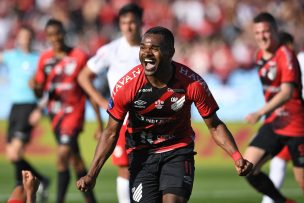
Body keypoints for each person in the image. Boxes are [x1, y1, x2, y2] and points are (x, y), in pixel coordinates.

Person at [76, 26, 253, 203]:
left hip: (177, 151)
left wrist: (237, 157)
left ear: (170, 52)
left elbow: (214, 125)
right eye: (143, 47)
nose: (147, 53)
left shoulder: (192, 83)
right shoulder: (127, 86)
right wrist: (92, 174)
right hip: (142, 155)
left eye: (154, 48)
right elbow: (111, 132)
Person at [77, 3, 143, 203]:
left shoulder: (150, 48)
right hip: (123, 119)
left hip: (149, 116)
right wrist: (104, 102)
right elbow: (83, 77)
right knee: (124, 166)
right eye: (124, 23)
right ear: (120, 25)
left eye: (132, 22)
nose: (128, 27)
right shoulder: (111, 50)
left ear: (140, 22)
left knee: (150, 165)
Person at [32, 19, 100, 203]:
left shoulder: (79, 56)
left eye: (58, 33)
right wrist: (35, 87)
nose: (55, 38)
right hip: (55, 116)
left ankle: (59, 200)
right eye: (51, 35)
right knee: (75, 160)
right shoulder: (45, 59)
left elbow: (89, 89)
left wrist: (100, 124)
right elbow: (40, 91)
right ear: (47, 37)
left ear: (64, 33)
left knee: (62, 156)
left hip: (73, 113)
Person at [243, 12, 304, 203]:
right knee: (246, 167)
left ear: (275, 31)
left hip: (297, 126)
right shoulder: (260, 55)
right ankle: (282, 202)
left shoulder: (286, 55)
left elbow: (286, 92)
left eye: (266, 31)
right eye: (258, 32)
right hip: (276, 122)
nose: (262, 36)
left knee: (302, 181)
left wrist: (260, 112)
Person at [0, 25, 50, 202]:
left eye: (28, 36)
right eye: (22, 36)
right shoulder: (11, 56)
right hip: (14, 108)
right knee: (11, 154)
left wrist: (39, 109)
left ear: (32, 38)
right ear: (18, 38)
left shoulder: (39, 59)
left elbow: (47, 87)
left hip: (29, 107)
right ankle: (35, 181)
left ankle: (30, 183)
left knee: (15, 153)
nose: (25, 39)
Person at [261, 31, 294, 203]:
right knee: (279, 160)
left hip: (294, 120)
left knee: (279, 161)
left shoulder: (290, 60)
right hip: (288, 119)